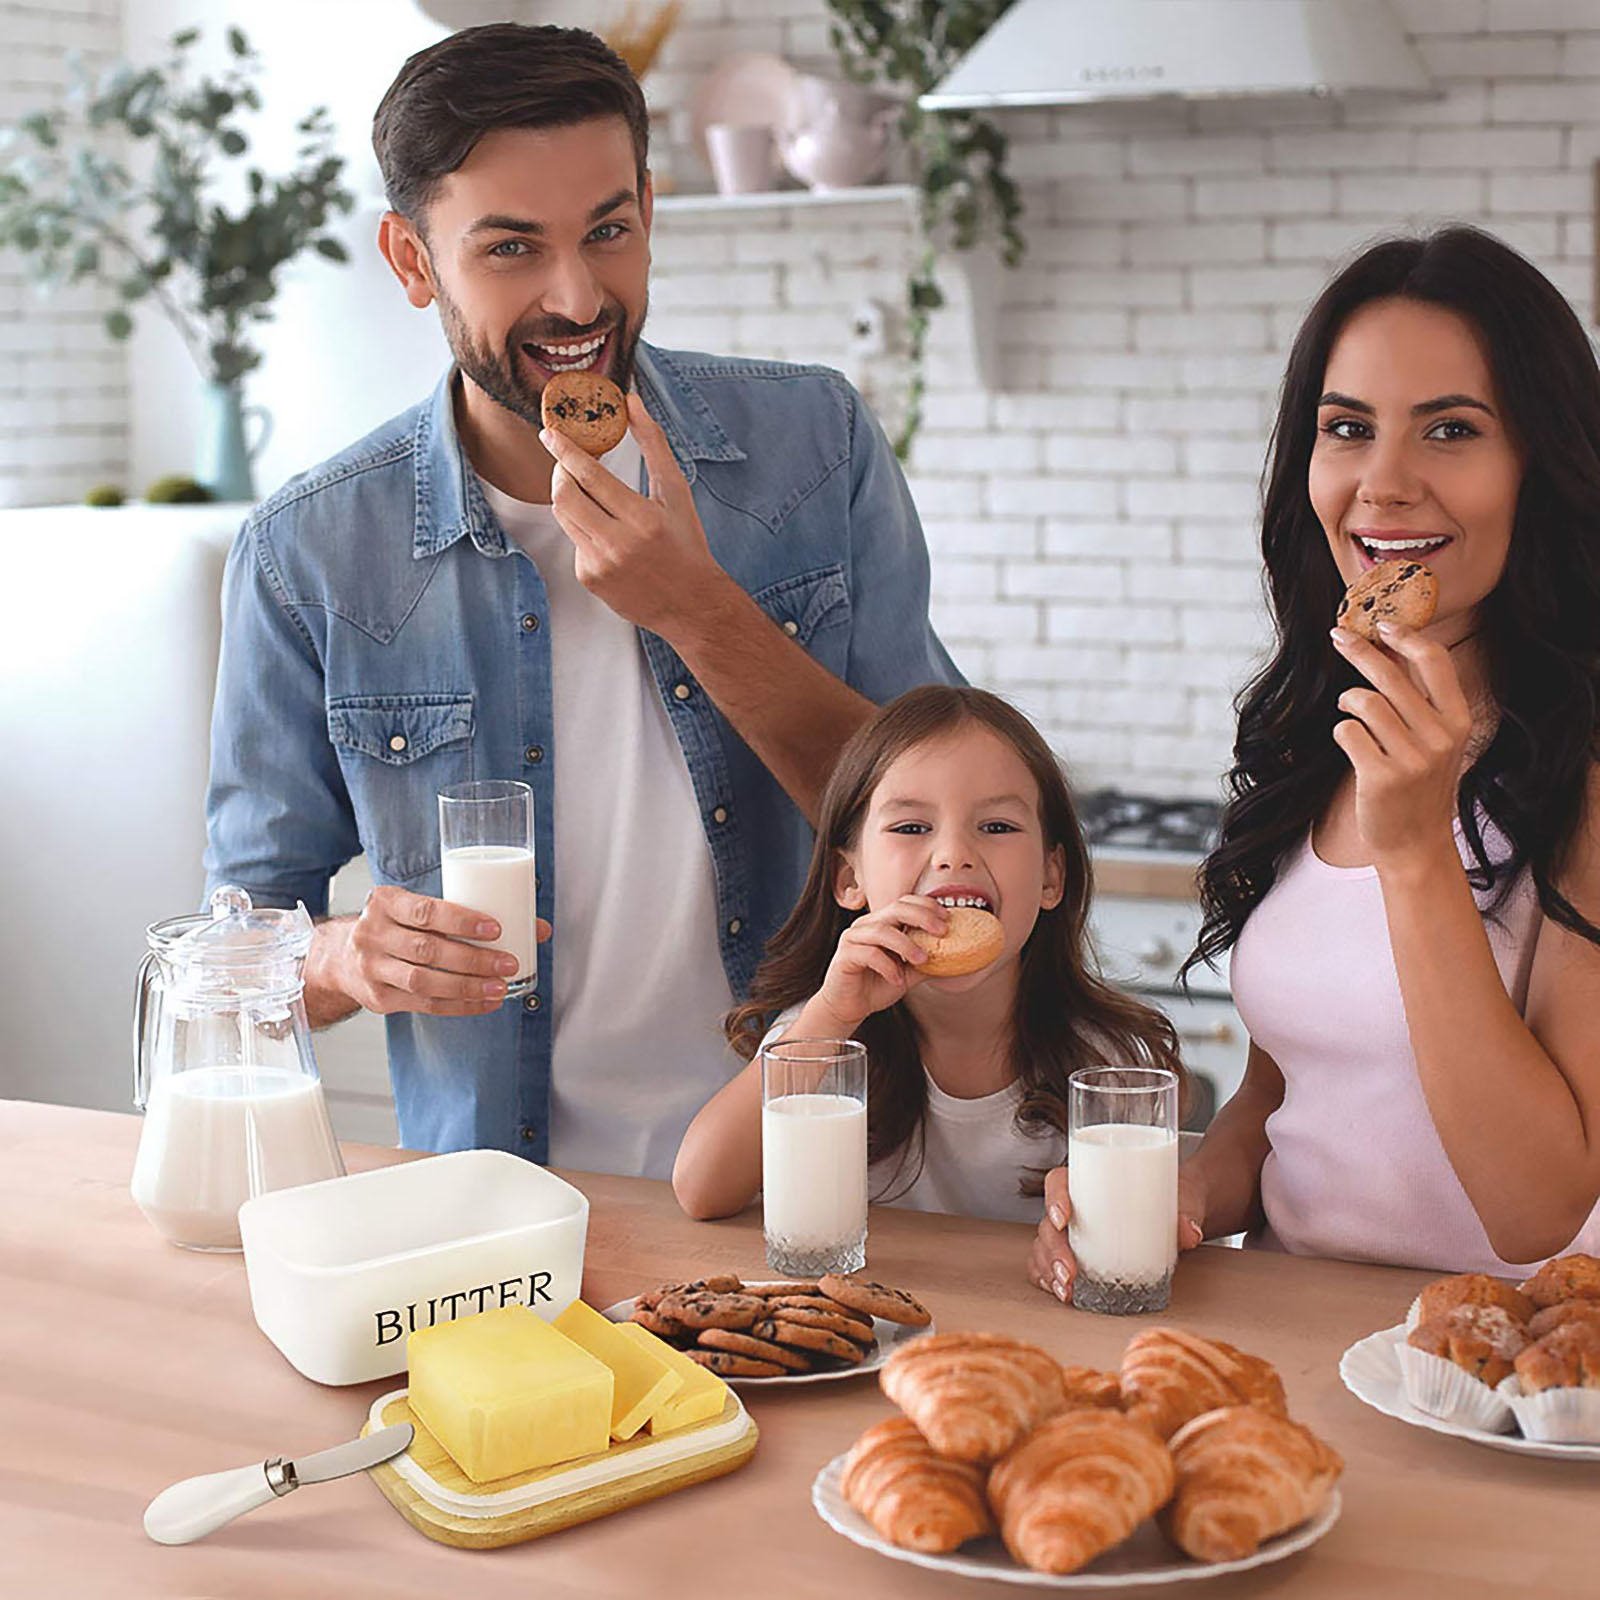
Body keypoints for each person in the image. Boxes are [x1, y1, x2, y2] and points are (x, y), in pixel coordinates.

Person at [203, 23, 958, 1178]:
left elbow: (946, 844)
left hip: (829, 1185)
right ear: (412, 262)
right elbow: (234, 963)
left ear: (649, 211)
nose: (576, 296)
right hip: (505, 1208)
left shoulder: (816, 445)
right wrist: (348, 958)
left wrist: (698, 610)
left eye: (606, 230)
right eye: (510, 248)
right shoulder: (309, 552)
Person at [1032, 225, 1600, 1289]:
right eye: (1348, 427)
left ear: (1542, 461)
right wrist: (1186, 1191)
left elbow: (1536, 1208)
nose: (1381, 484)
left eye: (1450, 431)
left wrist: (1417, 850)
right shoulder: (1318, 736)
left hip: (1505, 1383)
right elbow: (1286, 1096)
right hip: (1290, 1341)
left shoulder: (1585, 778)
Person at [673, 685, 1183, 1226]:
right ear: (851, 879)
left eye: (997, 827)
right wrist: (831, 1016)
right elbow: (702, 1189)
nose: (955, 855)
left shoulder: (1108, 1062)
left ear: (1051, 877)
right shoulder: (821, 1039)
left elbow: (1139, 1242)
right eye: (912, 827)